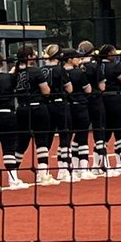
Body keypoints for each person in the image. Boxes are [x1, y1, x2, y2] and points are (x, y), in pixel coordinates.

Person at [13, 45, 57, 186]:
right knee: (42, 141)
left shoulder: (16, 73)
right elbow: (46, 91)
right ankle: (43, 174)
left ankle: (13, 174)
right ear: (30, 57)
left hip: (22, 109)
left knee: (22, 142)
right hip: (37, 108)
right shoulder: (36, 71)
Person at [0, 52, 27, 189]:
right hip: (6, 115)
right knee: (9, 147)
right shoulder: (9, 77)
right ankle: (12, 178)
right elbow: (17, 74)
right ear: (2, 63)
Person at [42, 44, 74, 182]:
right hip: (60, 104)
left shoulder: (41, 69)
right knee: (65, 135)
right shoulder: (59, 70)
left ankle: (43, 170)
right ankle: (63, 170)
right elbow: (70, 89)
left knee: (46, 138)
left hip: (46, 105)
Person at [99, 44, 121, 174]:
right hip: (116, 100)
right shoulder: (115, 66)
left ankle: (102, 164)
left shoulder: (96, 65)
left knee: (104, 133)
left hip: (101, 101)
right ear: (109, 54)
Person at [64, 49, 94, 180]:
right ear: (70, 59)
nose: (79, 60)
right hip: (80, 106)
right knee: (82, 137)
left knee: (68, 138)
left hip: (67, 107)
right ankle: (83, 168)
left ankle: (71, 168)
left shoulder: (61, 72)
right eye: (76, 58)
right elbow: (88, 89)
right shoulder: (78, 72)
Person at [79, 42, 108, 173]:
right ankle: (98, 165)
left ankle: (79, 167)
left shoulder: (77, 65)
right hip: (95, 100)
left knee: (80, 133)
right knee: (99, 132)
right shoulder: (94, 65)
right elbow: (102, 87)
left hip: (81, 102)